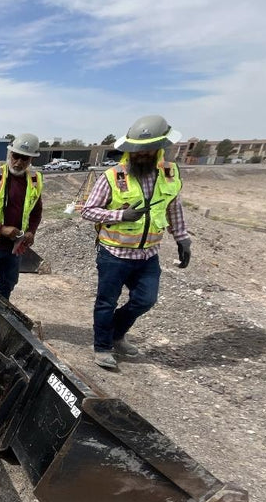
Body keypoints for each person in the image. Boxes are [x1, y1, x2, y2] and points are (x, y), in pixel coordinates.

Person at [80, 115, 191, 369]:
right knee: (106, 302)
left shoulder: (169, 174)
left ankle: (116, 333)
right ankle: (103, 347)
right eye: (136, 151)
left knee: (145, 299)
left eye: (146, 150)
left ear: (159, 149)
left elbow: (173, 207)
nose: (140, 155)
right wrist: (120, 215)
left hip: (148, 255)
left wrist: (182, 238)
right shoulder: (113, 176)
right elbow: (88, 211)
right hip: (114, 253)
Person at [0, 133, 44, 299]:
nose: (18, 162)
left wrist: (31, 231)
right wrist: (1, 229)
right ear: (10, 154)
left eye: (24, 159)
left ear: (31, 159)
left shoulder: (35, 180)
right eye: (15, 156)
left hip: (14, 246)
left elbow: (36, 211)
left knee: (8, 283)